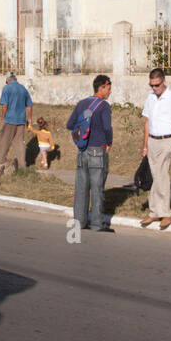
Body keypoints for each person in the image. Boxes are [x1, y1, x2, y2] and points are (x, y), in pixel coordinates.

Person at [65, 74, 114, 232]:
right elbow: (107, 128)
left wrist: (83, 136)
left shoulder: (81, 103)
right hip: (98, 151)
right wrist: (109, 143)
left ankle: (79, 221)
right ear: (101, 87)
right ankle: (97, 224)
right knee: (97, 188)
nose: (110, 91)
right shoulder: (104, 106)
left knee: (81, 188)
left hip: (82, 151)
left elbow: (70, 124)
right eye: (108, 88)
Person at [140, 67, 171, 230]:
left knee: (162, 176)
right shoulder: (150, 98)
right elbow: (147, 122)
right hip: (152, 140)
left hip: (166, 140)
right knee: (155, 176)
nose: (154, 88)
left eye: (157, 85)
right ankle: (154, 211)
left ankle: (166, 213)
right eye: (152, 85)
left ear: (164, 82)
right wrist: (145, 145)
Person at [0, 72, 32, 167]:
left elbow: (4, 106)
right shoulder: (23, 89)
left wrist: (3, 118)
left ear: (7, 80)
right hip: (21, 120)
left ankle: (0, 161)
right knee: (19, 142)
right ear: (15, 79)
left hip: (9, 119)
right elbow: (29, 106)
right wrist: (29, 119)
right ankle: (22, 165)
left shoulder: (7, 88)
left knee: (4, 140)